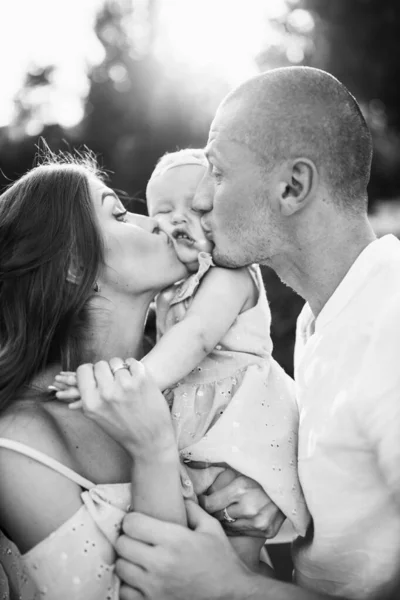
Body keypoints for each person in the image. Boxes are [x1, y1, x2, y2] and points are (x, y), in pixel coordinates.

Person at [114, 66, 400, 600]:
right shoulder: (329, 315)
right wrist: (280, 486)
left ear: (292, 186)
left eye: (217, 172)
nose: (201, 197)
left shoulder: (392, 328)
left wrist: (228, 586)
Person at [55, 147, 309, 569]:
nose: (171, 222)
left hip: (243, 417)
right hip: (205, 424)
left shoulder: (231, 273)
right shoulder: (168, 293)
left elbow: (196, 336)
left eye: (194, 207)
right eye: (160, 210)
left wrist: (128, 382)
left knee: (236, 548)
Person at [0, 151, 192, 599]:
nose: (158, 222)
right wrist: (154, 452)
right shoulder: (18, 446)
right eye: (121, 214)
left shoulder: (199, 376)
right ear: (73, 264)